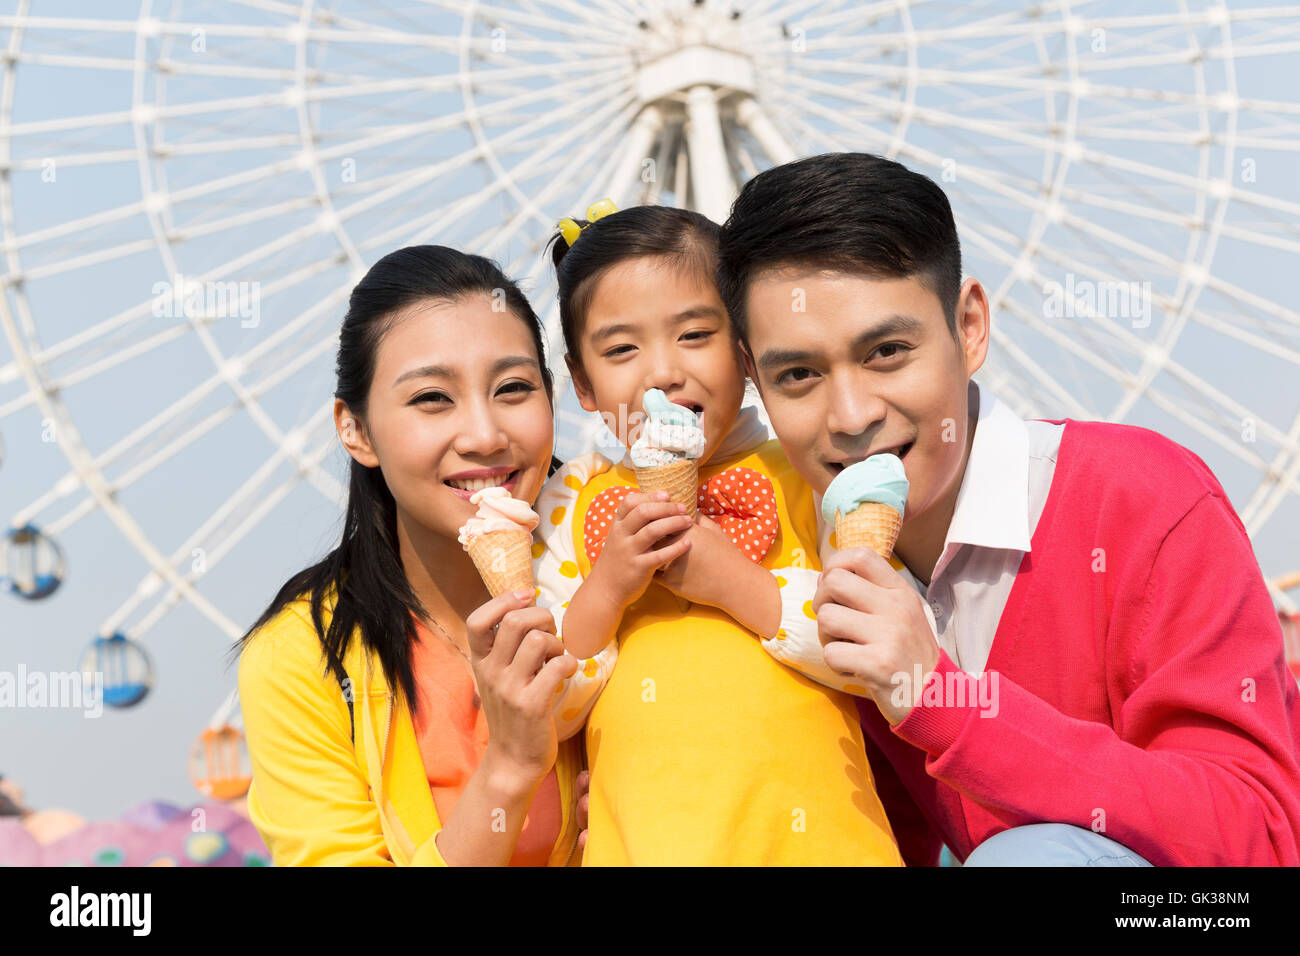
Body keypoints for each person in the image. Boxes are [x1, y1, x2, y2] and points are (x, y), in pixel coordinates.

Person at [715, 151, 1300, 866]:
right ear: (753, 378)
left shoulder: (1141, 499)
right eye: (798, 374)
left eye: (888, 351)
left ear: (969, 328)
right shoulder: (790, 563)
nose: (850, 414)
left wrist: (941, 698)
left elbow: (1262, 837)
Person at [530, 202, 904, 865]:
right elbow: (550, 708)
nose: (664, 372)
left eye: (694, 335)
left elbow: (880, 657)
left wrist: (739, 586)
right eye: (621, 350)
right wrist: (608, 589)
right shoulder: (571, 500)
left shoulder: (810, 472)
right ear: (584, 383)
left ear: (746, 348)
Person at [233, 246, 585, 866]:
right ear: (356, 430)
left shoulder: (626, 572)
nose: (483, 435)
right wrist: (509, 766)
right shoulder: (302, 661)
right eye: (431, 398)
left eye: (513, 388)